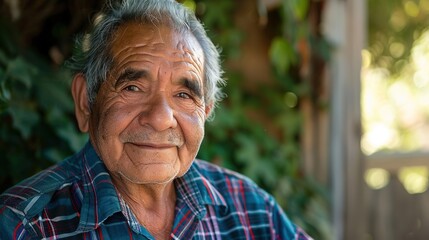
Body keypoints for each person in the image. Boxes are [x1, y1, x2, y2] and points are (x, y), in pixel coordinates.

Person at [0, 0, 312, 239]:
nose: (161, 119)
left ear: (205, 111)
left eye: (184, 95)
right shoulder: (23, 224)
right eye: (133, 87)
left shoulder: (251, 210)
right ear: (86, 102)